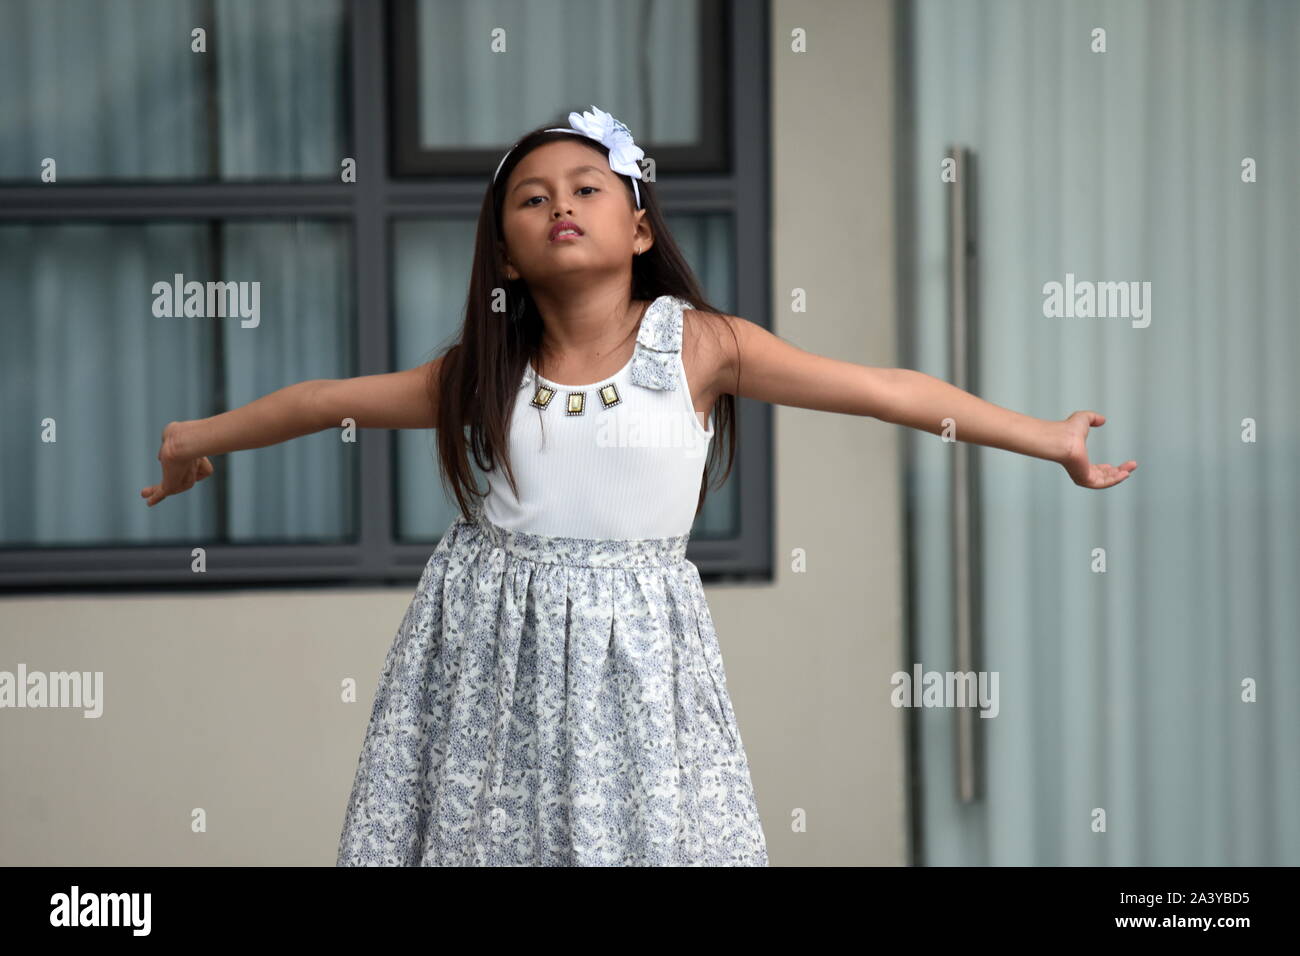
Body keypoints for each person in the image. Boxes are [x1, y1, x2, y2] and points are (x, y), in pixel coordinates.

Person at [141, 105, 1137, 867]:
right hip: (491, 651)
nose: (559, 205)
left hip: (636, 650)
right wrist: (194, 438)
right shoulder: (478, 376)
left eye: (586, 187)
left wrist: (1043, 436)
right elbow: (320, 399)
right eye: (531, 198)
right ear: (503, 251)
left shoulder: (698, 346)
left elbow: (881, 389)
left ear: (641, 229)